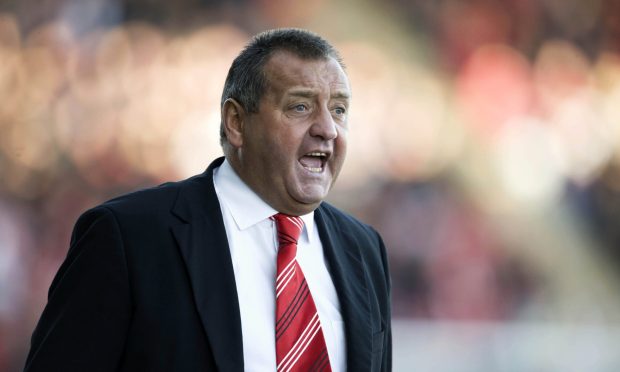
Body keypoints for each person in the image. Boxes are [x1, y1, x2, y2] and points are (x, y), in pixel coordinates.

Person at [24, 28, 391, 372]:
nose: (327, 128)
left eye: (339, 110)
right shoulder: (129, 237)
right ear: (236, 122)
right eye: (300, 107)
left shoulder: (364, 248)